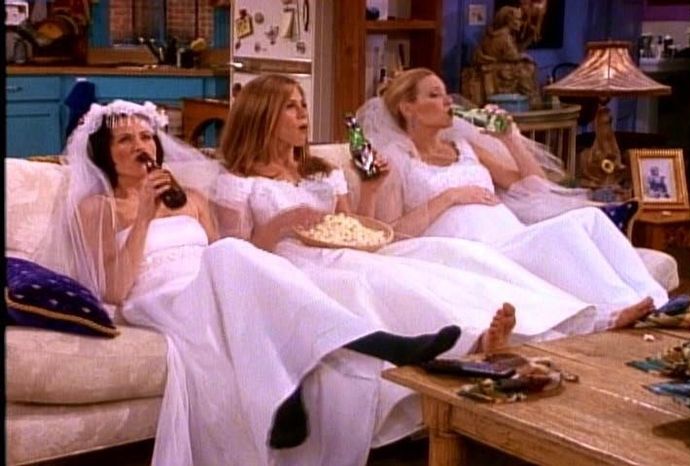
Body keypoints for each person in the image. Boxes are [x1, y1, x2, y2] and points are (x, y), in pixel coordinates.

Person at [48, 99, 469, 466]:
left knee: (236, 258)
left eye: (145, 137)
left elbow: (226, 256)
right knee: (230, 254)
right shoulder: (97, 208)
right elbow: (115, 290)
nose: (140, 146)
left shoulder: (191, 199)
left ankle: (290, 398)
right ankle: (378, 344)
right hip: (161, 296)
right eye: (125, 140)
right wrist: (143, 215)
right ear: (105, 153)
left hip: (213, 282)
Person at [215, 75, 630, 380]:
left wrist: (370, 188)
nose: (303, 112)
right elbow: (233, 259)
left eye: (303, 103)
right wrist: (282, 223)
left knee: (448, 258)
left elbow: (357, 226)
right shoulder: (239, 181)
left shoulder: (322, 172)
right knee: (383, 282)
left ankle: (567, 323)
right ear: (263, 116)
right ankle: (469, 343)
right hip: (297, 267)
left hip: (348, 251)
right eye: (291, 106)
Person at [358, 68, 670, 327]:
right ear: (407, 107)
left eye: (445, 93)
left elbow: (536, 187)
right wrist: (450, 197)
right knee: (563, 233)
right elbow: (390, 232)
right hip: (477, 248)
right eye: (434, 95)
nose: (447, 101)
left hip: (511, 233)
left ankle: (657, 300)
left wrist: (510, 139)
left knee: (590, 218)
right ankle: (613, 310)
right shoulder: (396, 159)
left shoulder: (464, 147)